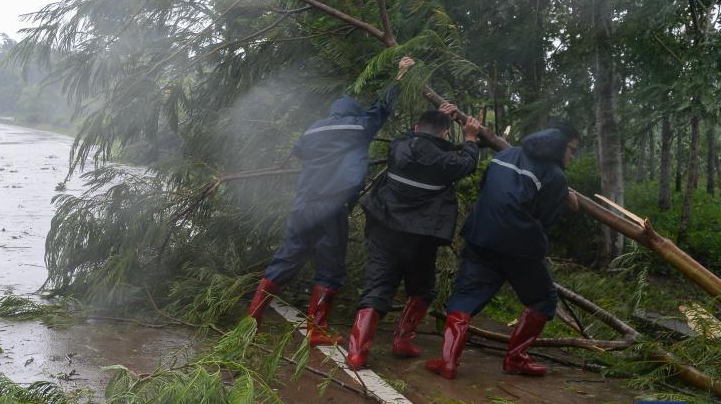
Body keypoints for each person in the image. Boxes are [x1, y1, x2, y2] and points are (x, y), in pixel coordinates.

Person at [246, 56, 415, 345]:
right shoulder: (358, 128)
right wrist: (399, 76)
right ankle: (316, 329)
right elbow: (382, 108)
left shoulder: (313, 130)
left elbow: (299, 152)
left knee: (286, 260)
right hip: (330, 206)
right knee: (330, 267)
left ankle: (252, 320)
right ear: (352, 113)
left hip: (303, 205)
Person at [425, 122, 581, 379]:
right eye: (572, 150)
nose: (572, 156)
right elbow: (547, 218)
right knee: (543, 299)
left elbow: (487, 187)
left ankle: (448, 361)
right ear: (558, 147)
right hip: (520, 246)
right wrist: (566, 201)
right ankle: (516, 358)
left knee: (464, 297)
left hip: (481, 235)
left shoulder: (507, 154)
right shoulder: (555, 175)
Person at [345, 105, 481, 370]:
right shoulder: (447, 162)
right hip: (421, 237)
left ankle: (357, 353)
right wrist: (470, 139)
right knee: (422, 289)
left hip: (385, 228)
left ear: (416, 128)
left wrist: (439, 121)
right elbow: (467, 162)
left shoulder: (398, 146)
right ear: (444, 134)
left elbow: (419, 140)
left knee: (377, 287)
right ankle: (402, 341)